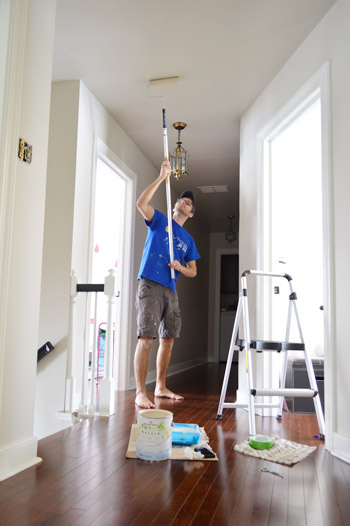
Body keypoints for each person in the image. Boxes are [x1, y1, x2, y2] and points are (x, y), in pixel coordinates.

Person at [134, 160, 200, 409]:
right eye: (182, 199)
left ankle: (160, 386)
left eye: (190, 203)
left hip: (171, 289)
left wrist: (180, 267)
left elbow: (193, 271)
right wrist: (162, 177)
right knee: (146, 338)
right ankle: (141, 392)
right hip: (150, 283)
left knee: (168, 339)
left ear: (191, 214)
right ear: (175, 204)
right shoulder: (160, 220)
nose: (184, 201)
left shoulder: (188, 239)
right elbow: (141, 204)